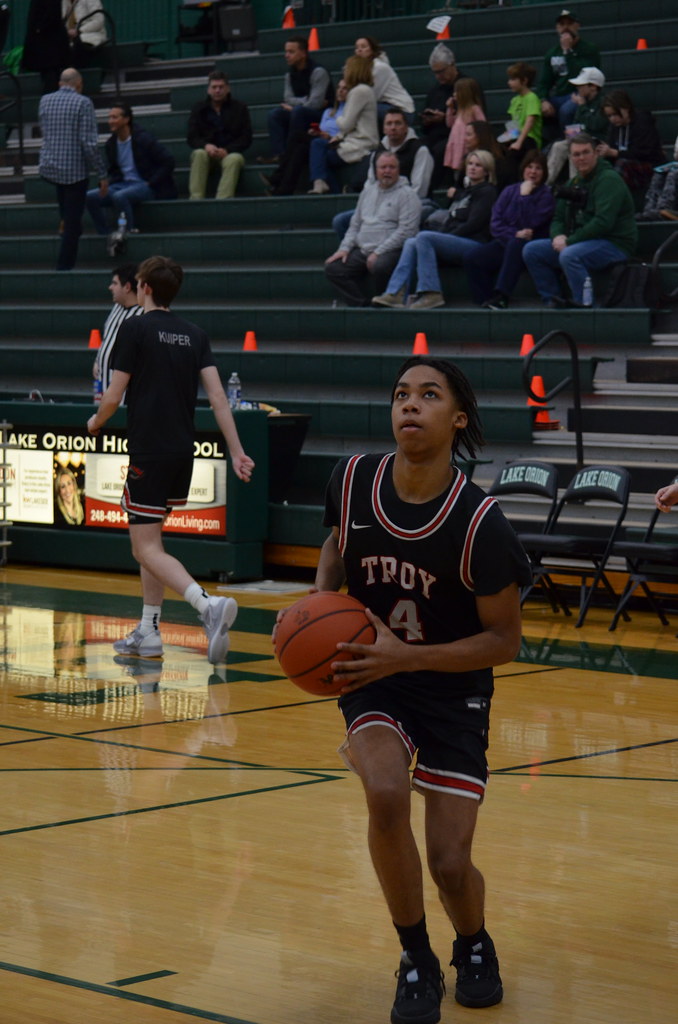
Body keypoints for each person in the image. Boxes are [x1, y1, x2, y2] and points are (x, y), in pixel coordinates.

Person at [300, 354, 531, 1024]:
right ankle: (415, 957)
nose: (409, 404)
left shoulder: (481, 522)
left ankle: (473, 941)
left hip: (453, 687)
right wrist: (319, 608)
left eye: (429, 395)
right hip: (376, 677)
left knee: (451, 865)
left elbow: (504, 642)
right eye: (402, 393)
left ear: (457, 419)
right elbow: (338, 545)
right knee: (384, 792)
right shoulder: (353, 478)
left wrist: (412, 657)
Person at [86, 256, 255, 662]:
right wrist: (237, 451)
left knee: (144, 548)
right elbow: (218, 399)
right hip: (183, 451)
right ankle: (149, 631)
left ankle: (206, 605)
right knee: (152, 544)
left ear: (143, 286)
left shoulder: (135, 328)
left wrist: (95, 421)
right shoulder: (195, 334)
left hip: (149, 449)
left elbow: (113, 395)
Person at [372, 149, 497, 310]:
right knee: (411, 242)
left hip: (474, 243)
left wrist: (445, 237)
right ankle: (395, 293)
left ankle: (431, 293)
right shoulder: (465, 192)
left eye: (478, 165)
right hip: (454, 239)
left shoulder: (487, 192)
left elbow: (474, 224)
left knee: (424, 237)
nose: (472, 167)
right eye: (470, 164)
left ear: (487, 171)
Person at [523, 133, 637, 307]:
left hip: (614, 243)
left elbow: (603, 223)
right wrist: (557, 236)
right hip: (582, 241)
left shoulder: (609, 179)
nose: (581, 158)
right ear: (570, 157)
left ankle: (583, 304)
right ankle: (552, 300)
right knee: (532, 250)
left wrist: (569, 241)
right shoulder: (573, 183)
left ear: (595, 154)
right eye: (576, 154)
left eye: (586, 152)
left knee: (570, 254)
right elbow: (558, 217)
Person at [324, 152, 420, 307]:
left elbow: (407, 231)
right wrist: (344, 249)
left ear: (398, 170)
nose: (387, 171)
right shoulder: (367, 192)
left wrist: (378, 252)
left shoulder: (408, 195)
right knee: (333, 268)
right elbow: (355, 225)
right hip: (363, 250)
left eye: (391, 167)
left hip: (393, 250)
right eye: (383, 167)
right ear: (376, 170)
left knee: (380, 265)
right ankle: (361, 304)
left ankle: (383, 300)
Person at [464, 151, 555, 309]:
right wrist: (513, 233)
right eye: (529, 167)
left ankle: (502, 296)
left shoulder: (546, 195)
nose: (533, 171)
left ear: (544, 172)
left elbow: (530, 223)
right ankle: (484, 300)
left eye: (538, 168)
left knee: (516, 244)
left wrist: (525, 196)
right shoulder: (509, 191)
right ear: (523, 169)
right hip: (506, 240)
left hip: (530, 245)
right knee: (473, 257)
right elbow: (495, 223)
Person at [38, 67, 107, 271]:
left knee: (67, 214)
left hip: (51, 166)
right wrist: (101, 172)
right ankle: (64, 266)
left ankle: (65, 223)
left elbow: (45, 131)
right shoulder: (83, 102)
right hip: (75, 170)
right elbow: (89, 143)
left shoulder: (44, 100)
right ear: (79, 84)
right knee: (73, 222)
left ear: (60, 83)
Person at [331, 108, 433, 239]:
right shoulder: (377, 152)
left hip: (409, 207)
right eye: (389, 124)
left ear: (406, 126)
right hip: (379, 206)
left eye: (398, 123)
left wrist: (390, 209)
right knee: (340, 221)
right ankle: (357, 253)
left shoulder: (420, 150)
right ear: (384, 128)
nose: (393, 127)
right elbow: (370, 184)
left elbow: (420, 190)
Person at [86, 102, 177, 236]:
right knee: (90, 197)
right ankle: (105, 234)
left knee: (119, 197)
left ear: (126, 119)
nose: (110, 121)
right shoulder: (111, 144)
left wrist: (151, 182)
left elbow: (169, 161)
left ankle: (129, 232)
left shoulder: (143, 139)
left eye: (115, 117)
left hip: (145, 185)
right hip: (122, 184)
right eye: (109, 117)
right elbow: (114, 170)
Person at [262, 80, 348, 197]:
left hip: (334, 143)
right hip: (319, 141)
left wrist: (329, 136)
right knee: (299, 149)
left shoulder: (349, 111)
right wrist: (316, 133)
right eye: (339, 88)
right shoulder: (328, 112)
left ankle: (277, 176)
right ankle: (283, 191)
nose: (341, 91)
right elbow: (322, 129)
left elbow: (346, 132)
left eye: (345, 88)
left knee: (297, 136)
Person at [307, 55, 378, 195]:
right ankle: (330, 189)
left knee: (318, 149)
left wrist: (339, 118)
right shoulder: (362, 90)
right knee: (320, 155)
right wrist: (338, 137)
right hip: (354, 140)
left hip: (361, 143)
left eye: (346, 67)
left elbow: (345, 124)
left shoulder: (359, 91)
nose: (344, 70)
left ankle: (326, 187)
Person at [420, 43, 486, 190]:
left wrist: (444, 117)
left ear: (452, 65)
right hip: (435, 133)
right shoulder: (434, 90)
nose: (438, 76)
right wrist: (428, 119)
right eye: (435, 73)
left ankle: (433, 189)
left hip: (458, 136)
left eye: (441, 71)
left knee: (438, 150)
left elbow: (480, 121)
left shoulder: (467, 86)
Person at [261, 36, 333, 162]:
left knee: (298, 111)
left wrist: (296, 106)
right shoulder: (289, 74)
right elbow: (288, 99)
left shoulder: (318, 72)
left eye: (291, 52)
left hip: (322, 115)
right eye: (286, 51)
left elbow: (316, 104)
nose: (286, 55)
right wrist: (304, 101)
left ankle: (290, 154)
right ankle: (279, 154)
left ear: (303, 53)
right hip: (299, 111)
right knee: (275, 114)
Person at [187, 70, 252, 200]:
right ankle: (195, 199)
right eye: (214, 87)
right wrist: (206, 146)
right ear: (208, 89)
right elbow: (192, 136)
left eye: (221, 87)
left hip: (229, 153)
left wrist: (228, 150)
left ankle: (222, 200)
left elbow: (246, 137)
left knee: (235, 159)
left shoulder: (240, 108)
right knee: (198, 154)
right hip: (207, 153)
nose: (217, 90)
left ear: (228, 88)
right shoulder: (198, 109)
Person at [537, 9, 602, 131]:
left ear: (577, 25)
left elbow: (584, 74)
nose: (565, 28)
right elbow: (544, 83)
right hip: (560, 95)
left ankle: (569, 143)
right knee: (534, 110)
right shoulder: (552, 53)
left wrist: (568, 52)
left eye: (569, 24)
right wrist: (543, 100)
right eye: (562, 24)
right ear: (557, 28)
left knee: (566, 111)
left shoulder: (589, 49)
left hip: (582, 93)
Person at [546, 67, 608, 186]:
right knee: (558, 146)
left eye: (581, 85)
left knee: (576, 150)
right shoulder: (583, 102)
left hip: (597, 141)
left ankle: (576, 185)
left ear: (593, 86)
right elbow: (576, 123)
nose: (577, 88)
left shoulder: (603, 102)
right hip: (581, 138)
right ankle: (546, 183)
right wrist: (570, 133)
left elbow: (596, 125)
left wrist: (582, 106)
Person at [597, 90, 665, 196]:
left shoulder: (642, 121)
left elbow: (646, 153)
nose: (613, 119)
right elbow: (612, 149)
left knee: (622, 165)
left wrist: (615, 153)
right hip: (627, 168)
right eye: (609, 116)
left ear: (626, 108)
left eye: (615, 114)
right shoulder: (614, 127)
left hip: (650, 165)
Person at [94, 263, 144, 395]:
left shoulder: (143, 315)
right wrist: (98, 360)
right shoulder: (117, 307)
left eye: (114, 283)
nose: (110, 287)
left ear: (127, 287)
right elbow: (107, 339)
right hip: (103, 386)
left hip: (125, 394)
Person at [354, 35, 415, 125]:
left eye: (363, 47)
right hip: (384, 105)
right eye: (357, 47)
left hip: (402, 110)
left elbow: (372, 96)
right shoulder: (362, 69)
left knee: (364, 110)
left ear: (372, 49)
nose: (359, 50)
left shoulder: (379, 68)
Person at [443, 77, 485, 182]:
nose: (454, 94)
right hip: (456, 144)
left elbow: (482, 125)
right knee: (457, 173)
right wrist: (450, 108)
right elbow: (449, 123)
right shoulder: (459, 110)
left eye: (457, 92)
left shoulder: (474, 109)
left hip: (466, 146)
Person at [22, 0, 70, 92]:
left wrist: (39, 28)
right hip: (48, 41)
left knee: (50, 73)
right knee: (51, 72)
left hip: (47, 42)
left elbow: (51, 15)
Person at [503, 63, 542, 172]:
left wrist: (519, 142)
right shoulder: (515, 100)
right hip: (517, 137)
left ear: (524, 81)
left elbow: (530, 121)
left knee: (513, 156)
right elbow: (513, 124)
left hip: (529, 140)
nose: (509, 82)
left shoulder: (532, 98)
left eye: (513, 79)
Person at [62, 0, 107, 66]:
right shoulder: (64, 2)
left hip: (90, 36)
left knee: (76, 48)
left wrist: (79, 31)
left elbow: (99, 21)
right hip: (69, 39)